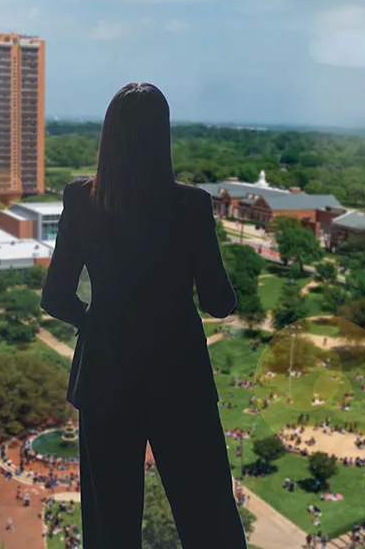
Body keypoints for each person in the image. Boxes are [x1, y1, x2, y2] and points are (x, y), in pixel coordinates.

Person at [42, 83, 246, 549]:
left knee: (109, 528)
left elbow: (55, 297)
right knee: (209, 519)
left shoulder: (82, 199)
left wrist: (96, 322)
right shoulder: (189, 206)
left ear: (109, 136)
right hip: (180, 378)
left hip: (105, 378)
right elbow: (218, 302)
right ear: (163, 136)